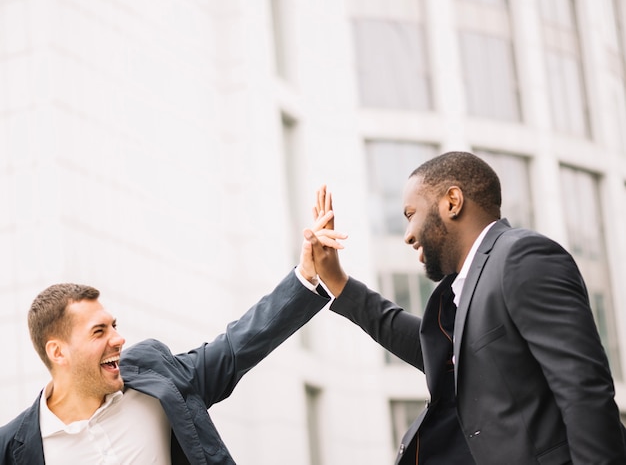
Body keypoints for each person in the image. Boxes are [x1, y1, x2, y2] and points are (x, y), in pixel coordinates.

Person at [303, 152, 626, 465]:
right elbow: (436, 350)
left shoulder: (522, 257)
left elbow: (583, 391)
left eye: (411, 213)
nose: (408, 235)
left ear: (452, 202)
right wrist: (337, 282)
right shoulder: (470, 286)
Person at [0, 207, 346, 465]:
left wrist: (305, 274)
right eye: (98, 332)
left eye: (114, 325)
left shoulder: (155, 376)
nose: (118, 339)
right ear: (58, 353)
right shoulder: (12, 448)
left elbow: (234, 348)